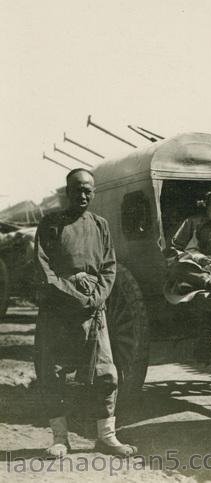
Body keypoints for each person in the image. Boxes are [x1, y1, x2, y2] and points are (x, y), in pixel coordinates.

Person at [34, 168, 136, 458]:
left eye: (88, 190)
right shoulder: (50, 224)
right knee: (54, 371)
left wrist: (96, 296)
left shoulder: (100, 225)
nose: (83, 194)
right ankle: (60, 438)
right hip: (59, 309)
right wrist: (71, 295)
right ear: (67, 191)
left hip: (94, 308)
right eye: (77, 189)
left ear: (94, 193)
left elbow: (109, 266)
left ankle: (106, 436)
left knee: (106, 373)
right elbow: (44, 269)